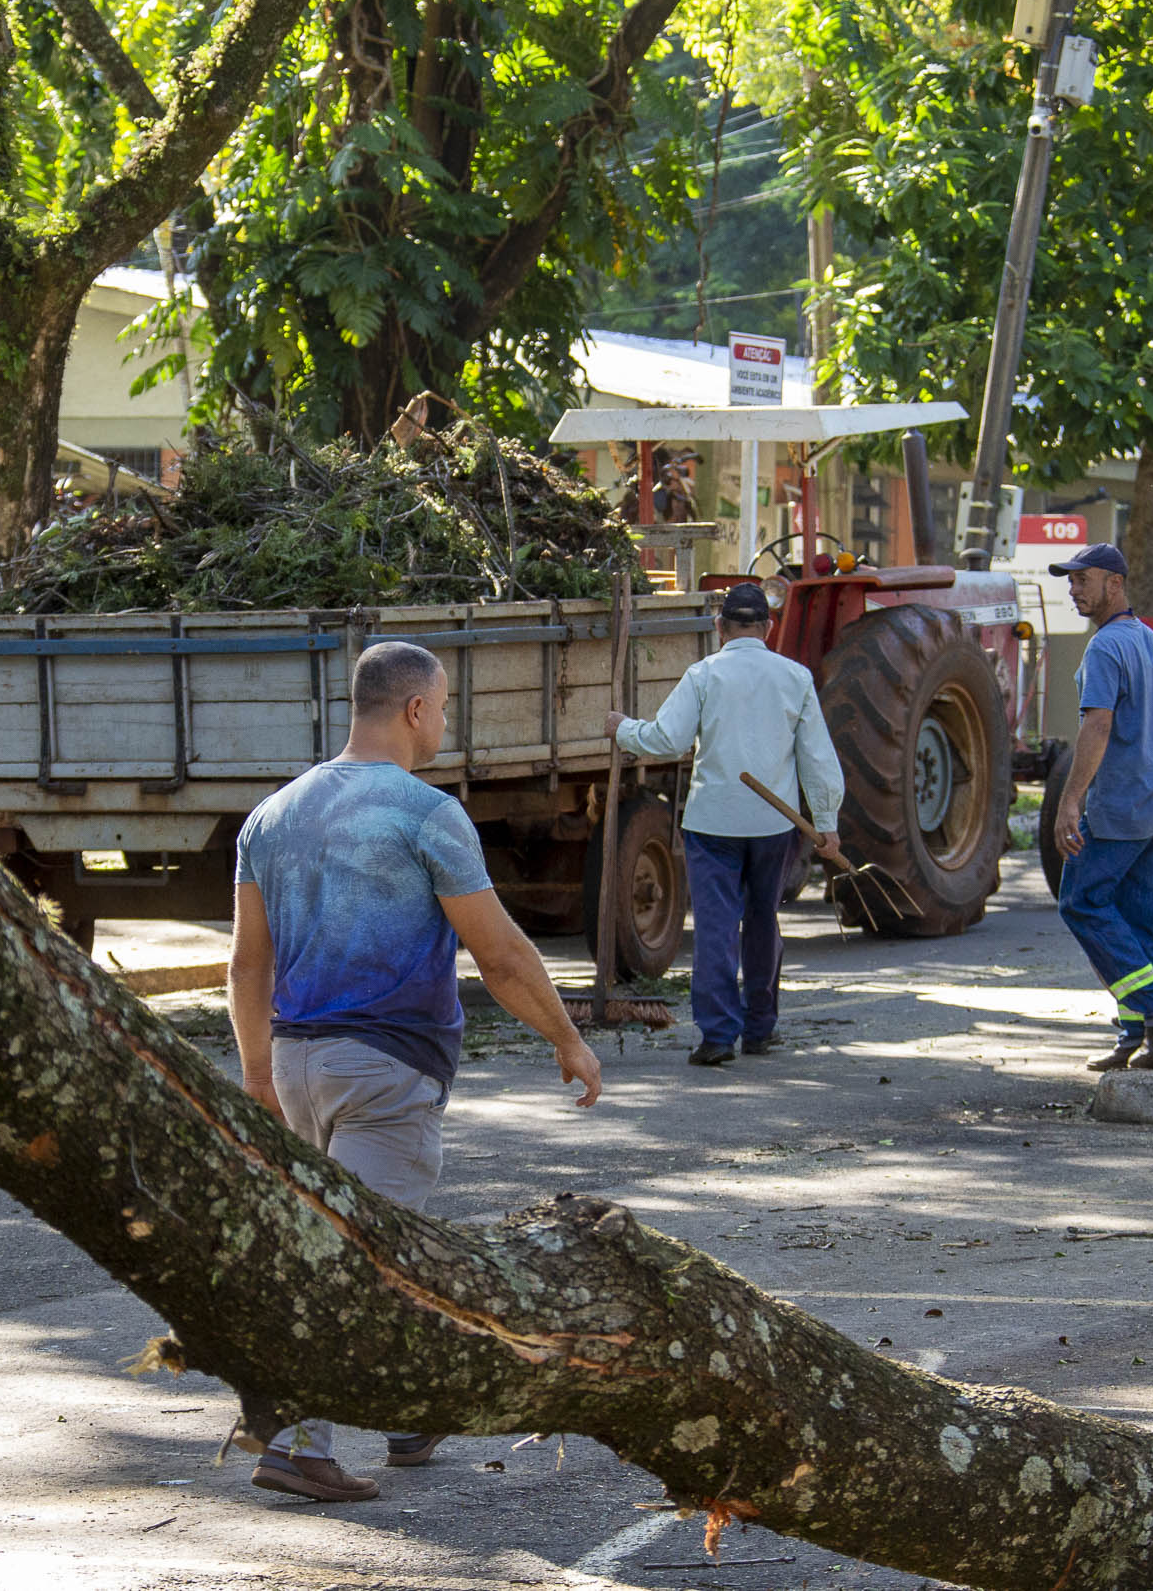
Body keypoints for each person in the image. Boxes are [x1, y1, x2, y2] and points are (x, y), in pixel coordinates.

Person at [231, 639, 605, 1499]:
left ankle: (412, 1407)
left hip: (297, 1065)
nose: (445, 720)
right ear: (413, 710)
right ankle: (294, 1441)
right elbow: (502, 955)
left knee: (384, 1248)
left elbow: (249, 963)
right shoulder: (424, 813)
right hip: (386, 1071)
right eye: (442, 705)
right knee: (355, 1260)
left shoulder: (274, 815)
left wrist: (257, 1067)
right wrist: (567, 1038)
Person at [611, 582, 846, 1067]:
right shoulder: (795, 677)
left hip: (712, 823)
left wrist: (622, 729)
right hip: (774, 824)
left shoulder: (704, 675)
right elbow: (818, 760)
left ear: (720, 628)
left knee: (717, 926)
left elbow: (666, 738)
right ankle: (760, 1028)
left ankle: (718, 1036)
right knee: (763, 920)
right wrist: (825, 822)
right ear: (768, 627)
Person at [1048, 543, 1153, 1073]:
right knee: (1137, 924)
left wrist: (1070, 801)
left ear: (1115, 582)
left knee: (1082, 904)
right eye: (1070, 582)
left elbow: (1098, 724)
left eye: (1082, 579)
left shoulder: (1106, 648)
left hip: (1120, 806)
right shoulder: (1151, 642)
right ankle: (1139, 1035)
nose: (1074, 590)